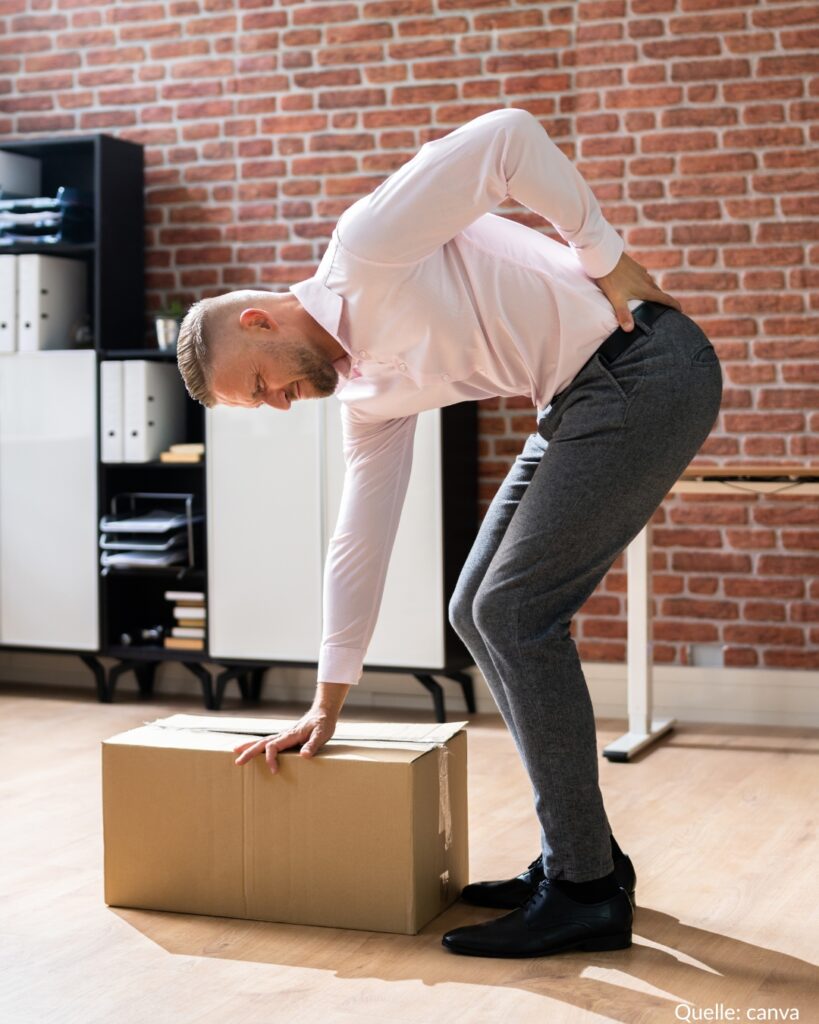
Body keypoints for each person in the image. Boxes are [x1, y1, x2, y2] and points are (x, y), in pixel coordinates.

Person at [175, 107, 723, 958]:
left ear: (259, 323)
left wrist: (604, 256)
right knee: (474, 610)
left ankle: (583, 892)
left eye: (261, 386)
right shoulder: (367, 398)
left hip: (641, 367)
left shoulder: (365, 249)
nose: (279, 404)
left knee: (513, 612)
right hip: (575, 401)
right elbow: (359, 537)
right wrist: (326, 700)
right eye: (261, 406)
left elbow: (508, 137)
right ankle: (584, 859)